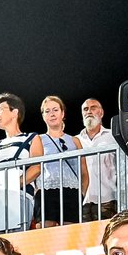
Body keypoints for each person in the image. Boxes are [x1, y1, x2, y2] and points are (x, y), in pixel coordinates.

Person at [0, 93, 35, 234]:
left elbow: (37, 168)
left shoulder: (32, 138)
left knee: (16, 242)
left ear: (15, 112)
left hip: (20, 196)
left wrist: (16, 184)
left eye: (0, 110)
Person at [27, 96, 82, 226]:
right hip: (47, 192)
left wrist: (81, 193)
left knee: (72, 235)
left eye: (55, 110)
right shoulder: (38, 139)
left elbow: (83, 170)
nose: (52, 114)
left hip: (71, 192)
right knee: (45, 235)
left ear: (62, 113)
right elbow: (35, 167)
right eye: (47, 111)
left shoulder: (74, 140)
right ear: (43, 116)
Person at [77, 99, 120, 222]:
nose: (89, 111)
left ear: (101, 113)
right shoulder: (76, 140)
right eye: (85, 109)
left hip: (108, 199)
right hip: (82, 201)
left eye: (93, 107)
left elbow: (124, 167)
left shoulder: (113, 136)